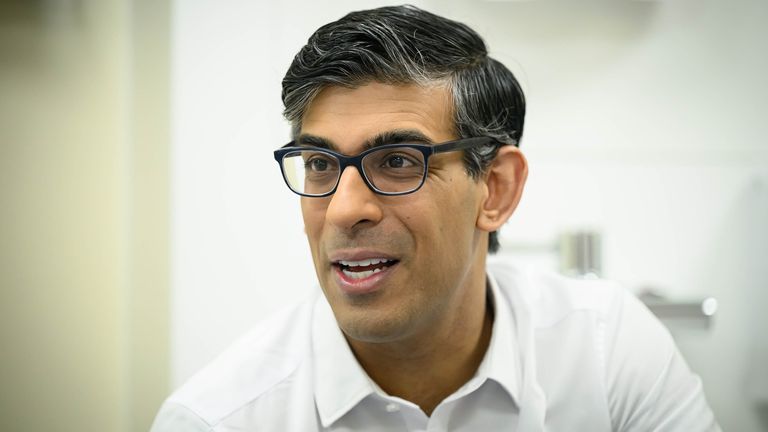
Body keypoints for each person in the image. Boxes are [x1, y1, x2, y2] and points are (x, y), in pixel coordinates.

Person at [151, 5, 719, 431]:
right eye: (321, 163)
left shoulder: (604, 351)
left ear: (494, 189)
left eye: (398, 162)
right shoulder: (217, 419)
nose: (345, 210)